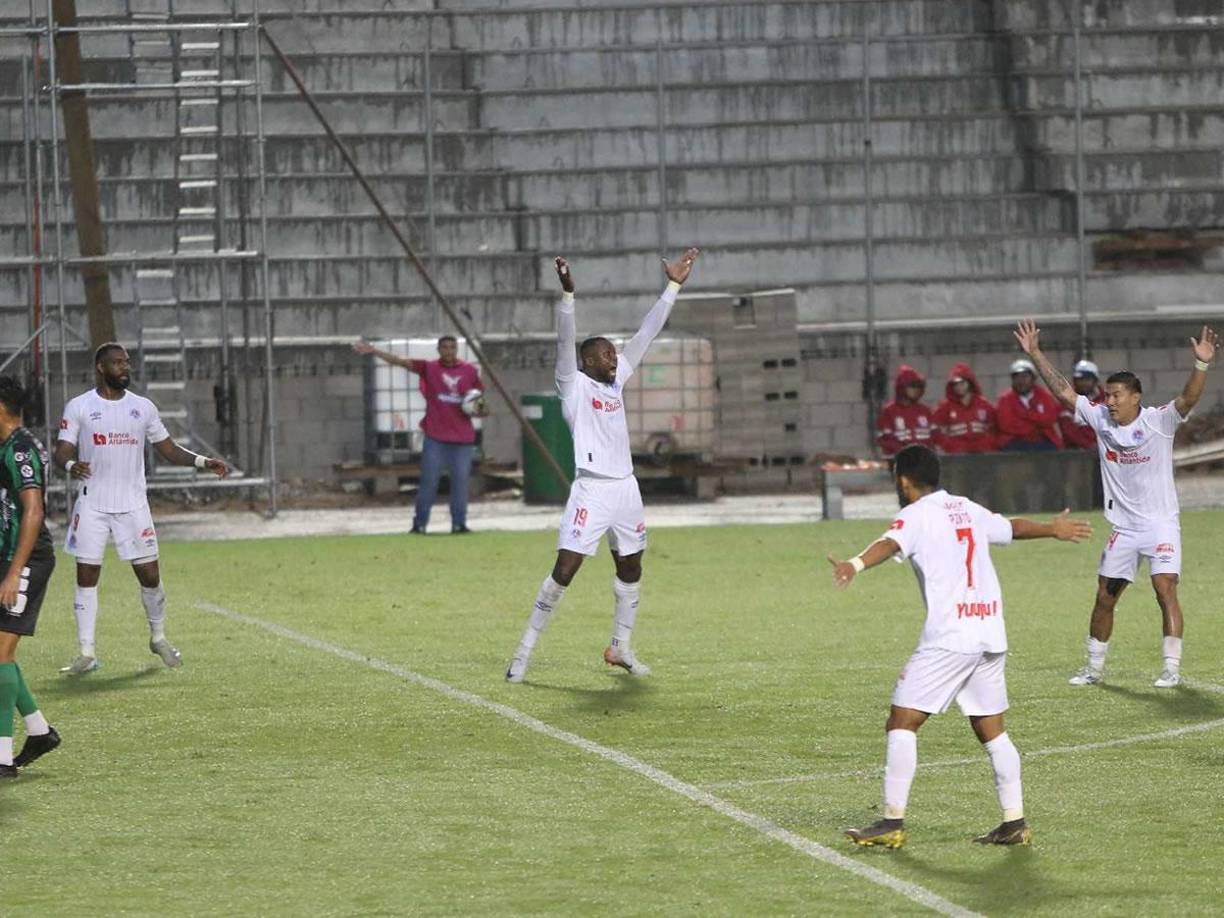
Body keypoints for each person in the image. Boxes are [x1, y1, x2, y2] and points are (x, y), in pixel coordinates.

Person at [829, 445, 1092, 848]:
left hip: (951, 638)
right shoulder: (966, 507)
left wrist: (854, 564)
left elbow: (889, 544)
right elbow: (1010, 528)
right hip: (989, 632)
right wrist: (1051, 529)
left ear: (903, 479)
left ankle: (891, 822)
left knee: (902, 721)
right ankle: (1014, 821)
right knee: (992, 731)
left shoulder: (914, 515)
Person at [505, 247, 700, 683]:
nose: (615, 358)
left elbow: (647, 334)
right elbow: (563, 342)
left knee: (631, 568)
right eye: (607, 354)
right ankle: (523, 653)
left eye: (615, 353)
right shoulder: (572, 386)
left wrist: (673, 286)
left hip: (626, 489)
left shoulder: (617, 382)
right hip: (591, 491)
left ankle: (621, 647)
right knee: (565, 570)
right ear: (588, 362)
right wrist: (568, 296)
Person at [1014, 319, 1218, 688]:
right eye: (1107, 395)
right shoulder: (1100, 420)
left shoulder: (1160, 422)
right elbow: (1063, 391)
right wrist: (1036, 353)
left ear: (1135, 397)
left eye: (1116, 395)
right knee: (1104, 598)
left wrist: (1201, 364)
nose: (1108, 401)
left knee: (1164, 588)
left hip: (1160, 524)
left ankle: (1171, 669)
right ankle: (1093, 668)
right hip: (1123, 528)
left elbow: (1188, 398)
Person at [55, 343, 229, 675]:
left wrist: (204, 461)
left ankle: (158, 637)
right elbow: (62, 450)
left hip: (133, 505)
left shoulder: (143, 407)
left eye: (127, 362)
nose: (125, 368)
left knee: (150, 576)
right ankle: (86, 652)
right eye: (117, 363)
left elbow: (168, 449)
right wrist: (71, 465)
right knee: (86, 575)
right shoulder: (79, 407)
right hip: (92, 504)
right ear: (100, 368)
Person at [353, 335, 485, 534]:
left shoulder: (469, 371)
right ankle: (419, 524)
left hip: (462, 440)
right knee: (429, 482)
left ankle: (459, 524)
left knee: (460, 483)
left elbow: (479, 403)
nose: (448, 351)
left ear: (456, 350)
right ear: (439, 350)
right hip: (435, 438)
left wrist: (479, 410)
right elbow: (401, 361)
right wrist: (374, 351)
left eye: (452, 347)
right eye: (445, 347)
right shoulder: (429, 368)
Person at [0, 377, 61, 777]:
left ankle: (2, 759)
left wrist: (14, 572)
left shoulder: (21, 450)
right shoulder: (6, 446)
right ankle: (38, 731)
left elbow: (34, 512)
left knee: (0, 655)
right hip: (7, 558)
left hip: (26, 560)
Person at [995, 358, 1063, 451]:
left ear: (1033, 378)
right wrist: (1035, 424)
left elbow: (1050, 418)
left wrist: (1026, 415)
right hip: (1015, 441)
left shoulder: (1044, 396)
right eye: (1017, 377)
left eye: (1025, 377)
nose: (1021, 381)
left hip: (1042, 440)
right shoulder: (1005, 399)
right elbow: (1006, 425)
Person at [932, 362, 997, 454]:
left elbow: (995, 427)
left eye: (962, 383)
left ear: (970, 383)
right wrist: (949, 445)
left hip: (982, 454)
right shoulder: (945, 406)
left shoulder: (984, 404)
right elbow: (934, 428)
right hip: (957, 455)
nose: (958, 387)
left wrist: (988, 444)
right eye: (955, 384)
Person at [875, 365, 933, 456]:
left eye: (919, 386)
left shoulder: (925, 411)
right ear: (902, 387)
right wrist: (905, 452)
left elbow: (935, 436)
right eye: (912, 386)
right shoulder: (889, 411)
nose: (916, 390)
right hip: (900, 461)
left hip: (925, 461)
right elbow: (885, 439)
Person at [1058, 359, 1105, 450]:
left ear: (1095, 381)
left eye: (1087, 379)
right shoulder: (1067, 400)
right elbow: (1068, 430)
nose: (1083, 383)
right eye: (1080, 380)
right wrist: (1089, 445)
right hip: (1076, 451)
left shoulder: (1107, 399)